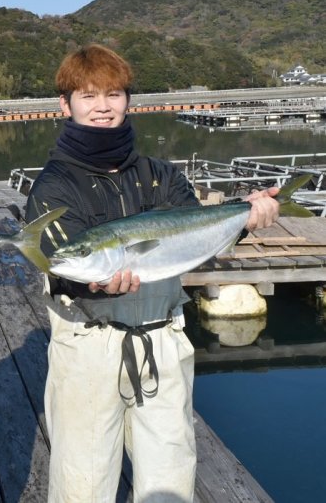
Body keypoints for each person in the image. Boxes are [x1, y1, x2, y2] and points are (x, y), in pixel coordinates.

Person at [25, 44, 280, 502]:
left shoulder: (162, 175)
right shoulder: (54, 186)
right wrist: (96, 284)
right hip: (88, 345)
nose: (102, 106)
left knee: (169, 481)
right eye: (88, 96)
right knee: (82, 485)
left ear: (128, 100)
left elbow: (194, 245)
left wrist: (246, 220)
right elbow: (60, 261)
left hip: (162, 341)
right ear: (65, 105)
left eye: (113, 94)